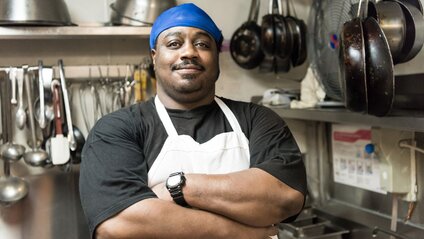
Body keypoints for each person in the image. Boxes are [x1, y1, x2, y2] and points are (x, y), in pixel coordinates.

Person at [79, 3, 307, 239]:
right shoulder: (117, 129)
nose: (188, 52)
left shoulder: (258, 120)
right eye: (174, 44)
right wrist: (237, 232)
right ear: (154, 58)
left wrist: (180, 188)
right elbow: (117, 226)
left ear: (216, 57)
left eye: (202, 44)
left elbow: (285, 198)